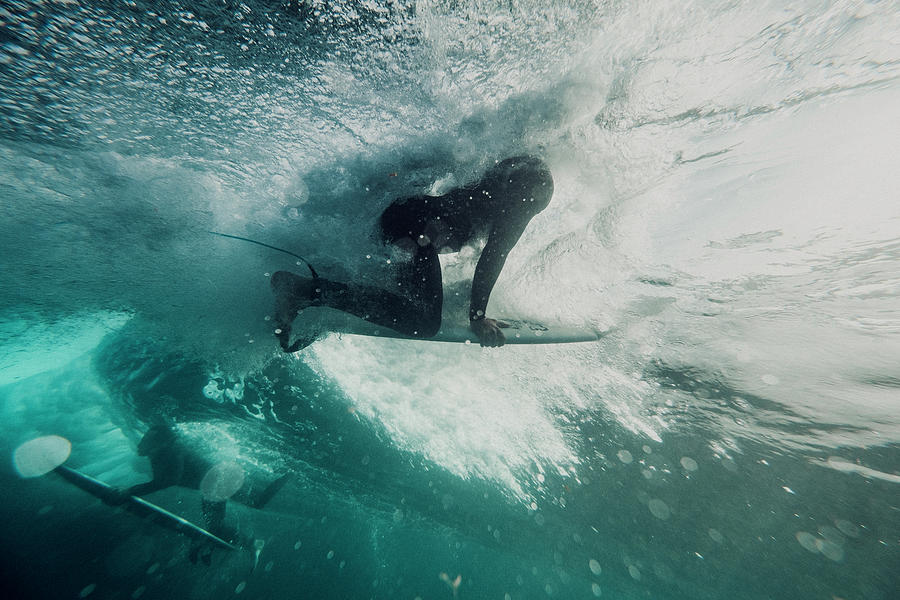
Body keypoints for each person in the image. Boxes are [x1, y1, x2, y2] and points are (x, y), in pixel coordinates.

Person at [272, 155, 553, 351]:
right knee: (424, 321)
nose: (523, 216)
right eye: (526, 208)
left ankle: (314, 295)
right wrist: (477, 318)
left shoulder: (506, 173)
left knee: (405, 295)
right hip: (409, 228)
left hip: (401, 217)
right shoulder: (520, 192)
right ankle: (304, 291)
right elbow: (494, 256)